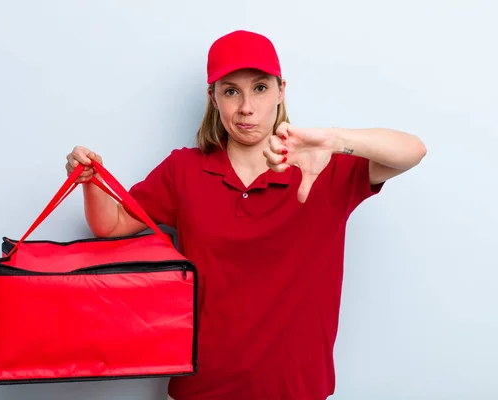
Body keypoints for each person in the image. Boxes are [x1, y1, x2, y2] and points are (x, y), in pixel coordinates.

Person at [65, 30, 426, 400]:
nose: (246, 108)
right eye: (231, 91)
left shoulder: (324, 167)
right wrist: (90, 180)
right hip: (202, 387)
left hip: (296, 389)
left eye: (260, 88)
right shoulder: (184, 170)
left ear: (281, 91)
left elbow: (412, 151)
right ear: (214, 98)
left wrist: (334, 140)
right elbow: (110, 225)